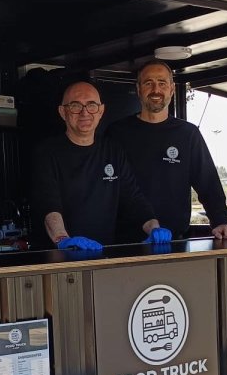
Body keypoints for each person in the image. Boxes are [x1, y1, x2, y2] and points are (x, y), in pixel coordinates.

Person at [29, 80, 171, 251]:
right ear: (62, 112)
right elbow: (48, 203)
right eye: (75, 106)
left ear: (101, 111)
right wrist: (62, 239)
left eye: (91, 105)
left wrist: (153, 227)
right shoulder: (46, 152)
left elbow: (133, 198)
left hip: (103, 254)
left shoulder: (113, 151)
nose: (85, 112)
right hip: (60, 257)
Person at [108, 59, 227, 241]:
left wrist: (220, 222)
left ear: (171, 89)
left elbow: (208, 183)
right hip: (124, 242)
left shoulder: (188, 134)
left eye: (162, 83)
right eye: (148, 83)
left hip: (175, 242)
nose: (156, 90)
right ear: (138, 90)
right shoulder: (116, 133)